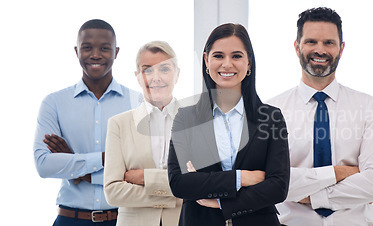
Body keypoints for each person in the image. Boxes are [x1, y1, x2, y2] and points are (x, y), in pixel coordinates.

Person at [267, 7, 373, 225]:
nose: (320, 50)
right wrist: (341, 172)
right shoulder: (270, 111)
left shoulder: (371, 108)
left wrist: (311, 196)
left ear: (341, 48)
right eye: (311, 42)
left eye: (329, 42)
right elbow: (269, 183)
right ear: (297, 47)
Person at [167, 23, 290, 226]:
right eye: (218, 56)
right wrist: (241, 178)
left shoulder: (271, 117)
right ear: (206, 60)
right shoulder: (185, 119)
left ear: (249, 62)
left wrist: (222, 203)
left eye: (236, 56)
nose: (227, 64)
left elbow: (278, 186)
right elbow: (179, 183)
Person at [33, 19, 142, 226]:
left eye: (104, 48)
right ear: (76, 51)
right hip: (70, 219)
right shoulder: (54, 103)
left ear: (116, 52)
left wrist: (78, 168)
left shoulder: (137, 103)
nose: (95, 54)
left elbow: (141, 172)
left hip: (124, 219)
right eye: (87, 48)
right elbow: (44, 165)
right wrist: (108, 158)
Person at [103, 41, 182, 226]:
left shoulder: (197, 122)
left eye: (164, 69)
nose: (156, 78)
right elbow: (113, 192)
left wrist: (144, 177)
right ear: (138, 76)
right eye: (147, 70)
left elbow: (204, 185)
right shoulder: (118, 124)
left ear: (177, 74)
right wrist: (175, 193)